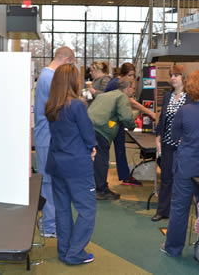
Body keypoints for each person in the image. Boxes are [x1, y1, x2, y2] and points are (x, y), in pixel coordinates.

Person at [45, 64, 97, 265]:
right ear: (73, 81)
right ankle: (75, 253)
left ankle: (65, 250)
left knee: (63, 209)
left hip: (57, 163)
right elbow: (88, 135)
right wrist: (91, 147)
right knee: (87, 209)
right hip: (76, 165)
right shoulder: (76, 105)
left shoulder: (50, 105)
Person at [161, 70, 199, 257]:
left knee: (179, 207)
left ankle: (173, 248)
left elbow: (175, 136)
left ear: (191, 87)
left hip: (186, 164)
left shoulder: (185, 110)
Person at [34, 46, 75, 238]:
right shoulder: (50, 78)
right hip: (47, 137)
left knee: (50, 182)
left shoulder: (45, 75)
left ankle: (49, 222)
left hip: (46, 136)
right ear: (66, 60)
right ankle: (49, 226)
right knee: (49, 183)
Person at [151, 65, 192, 222]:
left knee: (180, 179)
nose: (173, 78)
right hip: (167, 143)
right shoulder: (167, 96)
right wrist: (158, 136)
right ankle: (162, 210)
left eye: (177, 75)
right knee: (166, 177)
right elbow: (163, 119)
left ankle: (178, 213)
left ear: (184, 78)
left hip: (183, 145)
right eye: (171, 75)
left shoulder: (190, 97)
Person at [105, 62, 156, 186]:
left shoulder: (122, 83)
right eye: (129, 75)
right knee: (105, 148)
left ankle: (125, 176)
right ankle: (102, 181)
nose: (131, 78)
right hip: (108, 121)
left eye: (133, 75)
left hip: (114, 120)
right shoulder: (115, 84)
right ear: (122, 75)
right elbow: (130, 101)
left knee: (119, 146)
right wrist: (151, 113)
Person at [88, 78, 136, 200]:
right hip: (101, 131)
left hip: (87, 127)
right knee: (102, 161)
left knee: (94, 161)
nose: (134, 91)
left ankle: (94, 188)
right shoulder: (122, 97)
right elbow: (126, 117)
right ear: (127, 88)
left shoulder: (105, 95)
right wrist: (132, 126)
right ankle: (102, 190)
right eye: (133, 88)